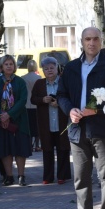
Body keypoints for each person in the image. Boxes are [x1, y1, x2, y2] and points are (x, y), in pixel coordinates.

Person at [56, 27, 105, 209]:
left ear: (101, 41)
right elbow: (61, 95)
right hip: (77, 129)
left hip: (103, 128)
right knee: (80, 176)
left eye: (96, 38)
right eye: (88, 39)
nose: (92, 43)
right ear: (82, 41)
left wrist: (99, 108)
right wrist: (70, 110)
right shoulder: (71, 67)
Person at [30, 56, 72, 184]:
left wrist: (59, 103)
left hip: (62, 121)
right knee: (47, 149)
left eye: (52, 68)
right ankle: (48, 177)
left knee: (63, 148)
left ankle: (62, 176)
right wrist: (43, 99)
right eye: (46, 68)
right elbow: (33, 99)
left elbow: (70, 97)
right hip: (46, 122)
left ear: (56, 68)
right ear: (42, 70)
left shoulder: (64, 82)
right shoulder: (39, 83)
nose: (49, 70)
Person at [0, 55, 32, 186]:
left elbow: (22, 100)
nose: (9, 66)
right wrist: (1, 115)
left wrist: (9, 114)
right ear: (2, 67)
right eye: (6, 64)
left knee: (20, 148)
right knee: (5, 148)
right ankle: (9, 176)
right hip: (1, 121)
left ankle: (21, 176)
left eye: (11, 64)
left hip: (19, 119)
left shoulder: (20, 81)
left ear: (14, 66)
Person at [22, 59, 41, 154]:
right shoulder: (39, 78)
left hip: (26, 105)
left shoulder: (23, 78)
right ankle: (37, 145)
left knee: (29, 126)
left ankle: (29, 145)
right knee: (37, 126)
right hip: (36, 105)